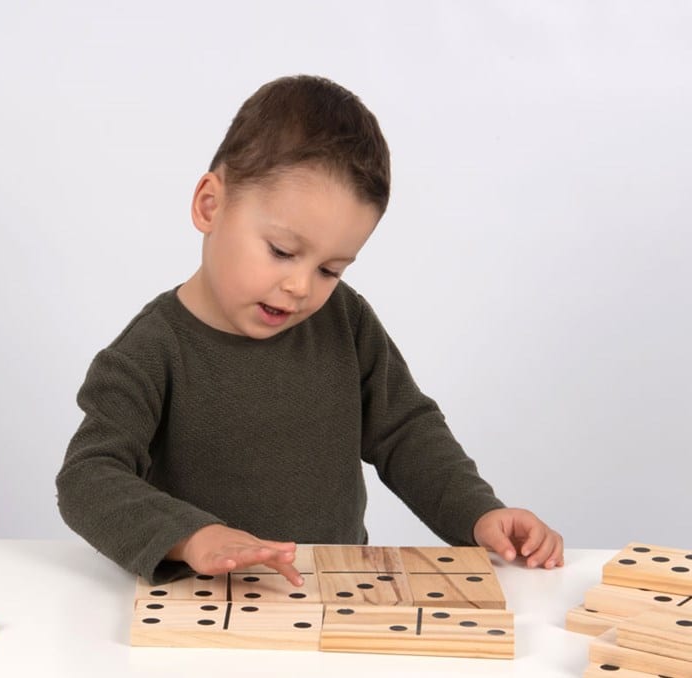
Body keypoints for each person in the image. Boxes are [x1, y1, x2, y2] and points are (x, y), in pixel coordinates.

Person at [56, 74, 564, 587]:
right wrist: (191, 536)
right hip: (202, 605)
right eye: (281, 251)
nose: (301, 286)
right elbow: (87, 476)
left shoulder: (345, 320)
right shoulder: (150, 351)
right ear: (210, 205)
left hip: (331, 594)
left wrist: (478, 514)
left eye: (331, 269)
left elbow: (406, 432)